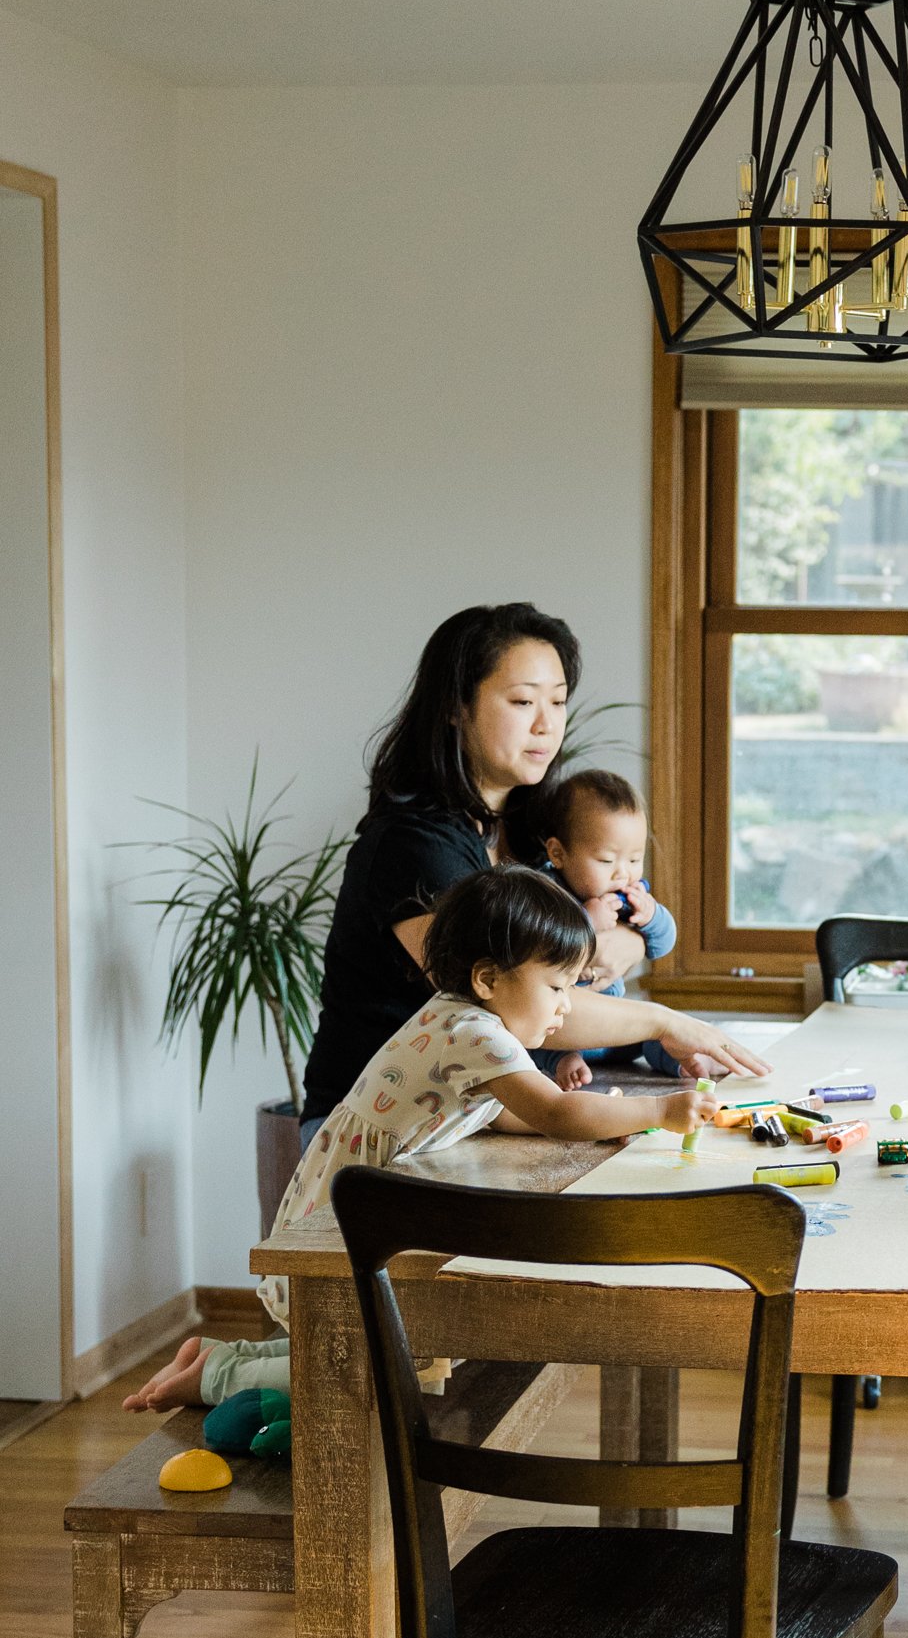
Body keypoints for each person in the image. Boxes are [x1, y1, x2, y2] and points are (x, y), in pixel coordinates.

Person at [127, 871, 717, 1413]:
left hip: (362, 1187)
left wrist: (612, 1118)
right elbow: (555, 1111)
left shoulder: (462, 1017)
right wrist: (662, 1109)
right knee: (380, 1366)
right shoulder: (474, 1032)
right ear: (488, 979)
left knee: (372, 1345)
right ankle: (216, 1378)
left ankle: (215, 1356)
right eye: (557, 986)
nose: (567, 1006)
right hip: (353, 1205)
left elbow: (507, 1114)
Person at [297, 602, 763, 1144]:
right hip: (375, 1132)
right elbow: (512, 996)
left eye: (559, 701)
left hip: (472, 1118)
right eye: (522, 701)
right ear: (455, 707)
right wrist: (666, 1022)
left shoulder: (533, 830)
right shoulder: (413, 843)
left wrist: (630, 939)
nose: (547, 724)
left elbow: (610, 914)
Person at [534, 768, 680, 1086]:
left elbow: (664, 944)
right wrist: (586, 921)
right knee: (528, 1043)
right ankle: (565, 1063)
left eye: (634, 859)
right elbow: (541, 948)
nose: (622, 874)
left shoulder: (630, 895)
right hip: (559, 1030)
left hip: (615, 1029)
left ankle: (683, 1062)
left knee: (656, 1035)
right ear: (558, 853)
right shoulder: (545, 892)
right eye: (605, 860)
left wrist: (652, 915)